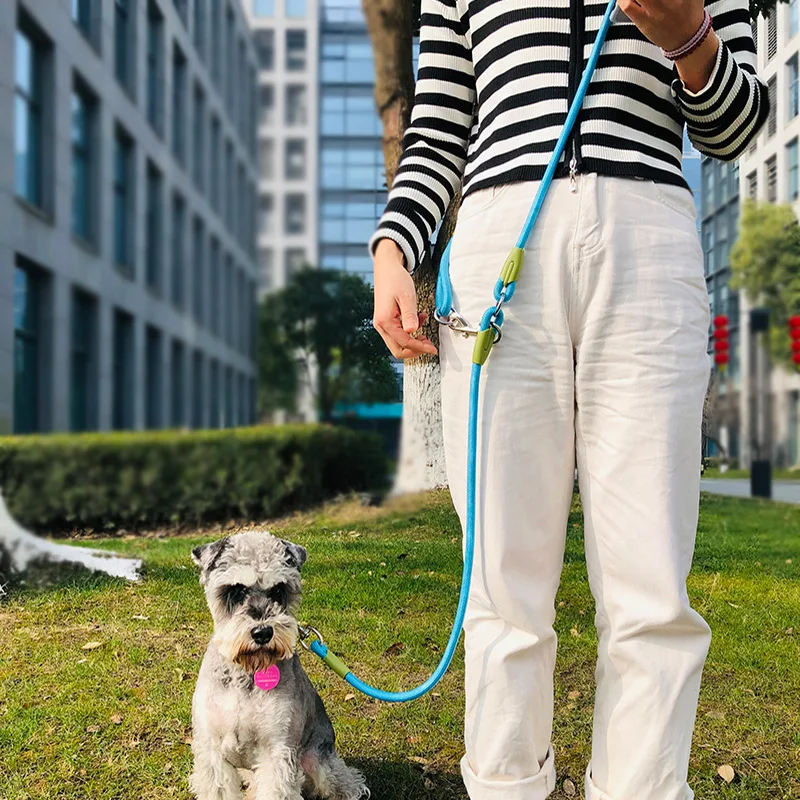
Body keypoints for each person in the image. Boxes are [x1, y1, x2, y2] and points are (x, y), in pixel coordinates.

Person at [369, 1, 768, 799]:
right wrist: (394, 244)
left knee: (651, 582)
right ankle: (507, 785)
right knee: (502, 577)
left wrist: (689, 37)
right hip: (496, 241)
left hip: (647, 238)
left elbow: (736, 127)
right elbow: (441, 124)